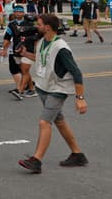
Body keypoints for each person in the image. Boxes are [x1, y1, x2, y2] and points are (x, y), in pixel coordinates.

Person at [15, 14, 88, 173]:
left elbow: (76, 73)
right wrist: (25, 54)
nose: (37, 26)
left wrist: (80, 98)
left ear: (48, 27)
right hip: (44, 87)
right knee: (59, 120)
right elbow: (42, 60)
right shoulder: (42, 41)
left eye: (39, 24)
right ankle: (77, 154)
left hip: (57, 89)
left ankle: (36, 160)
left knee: (44, 122)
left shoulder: (61, 47)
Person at [1, 3, 36, 100]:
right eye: (16, 11)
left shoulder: (29, 24)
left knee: (24, 71)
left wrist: (36, 50)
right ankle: (32, 89)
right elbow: (7, 38)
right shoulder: (11, 25)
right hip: (17, 50)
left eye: (20, 12)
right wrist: (4, 49)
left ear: (23, 13)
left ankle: (20, 91)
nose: (18, 13)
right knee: (24, 71)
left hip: (28, 50)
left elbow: (36, 38)